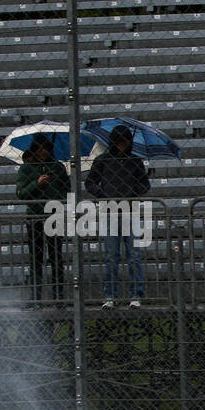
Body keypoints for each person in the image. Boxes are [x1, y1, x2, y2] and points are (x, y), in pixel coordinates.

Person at [84, 125, 150, 308]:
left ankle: (136, 295)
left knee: (134, 256)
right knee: (111, 256)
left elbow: (145, 185)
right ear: (113, 142)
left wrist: (131, 192)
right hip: (109, 212)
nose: (121, 145)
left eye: (124, 141)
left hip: (130, 211)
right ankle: (110, 296)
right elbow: (90, 182)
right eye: (118, 141)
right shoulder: (102, 161)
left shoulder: (135, 162)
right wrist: (103, 195)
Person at [15, 134, 70, 303]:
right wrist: (37, 183)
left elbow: (68, 191)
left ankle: (58, 296)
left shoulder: (58, 168)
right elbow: (21, 194)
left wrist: (55, 197)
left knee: (56, 258)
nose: (42, 152)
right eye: (39, 149)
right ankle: (36, 296)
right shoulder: (26, 168)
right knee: (36, 260)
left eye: (45, 148)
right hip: (35, 218)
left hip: (54, 217)